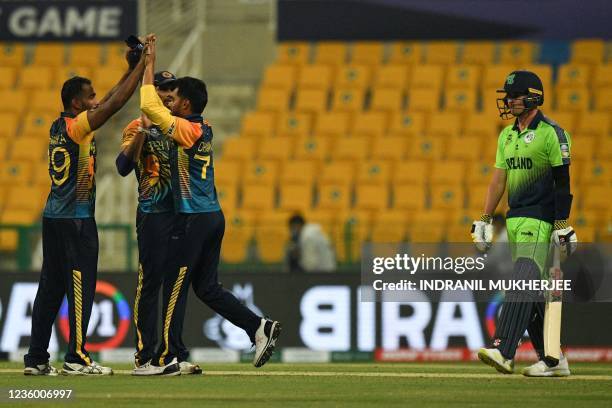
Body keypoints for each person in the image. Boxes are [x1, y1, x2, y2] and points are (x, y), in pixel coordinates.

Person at [139, 36, 281, 374]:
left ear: (186, 105)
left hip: (193, 219)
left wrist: (149, 64)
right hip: (213, 216)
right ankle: (257, 327)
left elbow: (148, 106)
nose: (168, 103)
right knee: (206, 287)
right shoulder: (203, 127)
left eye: (174, 99)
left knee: (174, 284)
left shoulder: (186, 129)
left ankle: (167, 356)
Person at [24, 36, 152, 376]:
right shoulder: (78, 127)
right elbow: (112, 106)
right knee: (80, 284)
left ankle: (36, 358)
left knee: (50, 287)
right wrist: (142, 67)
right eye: (90, 96)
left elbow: (108, 99)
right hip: (75, 220)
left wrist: (131, 69)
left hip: (53, 217)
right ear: (78, 101)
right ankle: (76, 357)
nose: (96, 100)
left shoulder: (59, 124)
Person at [471, 70, 577, 377]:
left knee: (523, 280)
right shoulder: (507, 135)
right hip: (515, 219)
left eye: (514, 96)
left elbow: (562, 182)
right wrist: (484, 218)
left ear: (533, 96)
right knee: (530, 288)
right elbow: (497, 181)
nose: (509, 101)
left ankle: (504, 350)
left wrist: (561, 223)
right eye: (508, 96)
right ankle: (554, 357)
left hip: (541, 218)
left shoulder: (552, 133)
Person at [116, 70, 201, 376]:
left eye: (172, 89)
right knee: (150, 282)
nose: (167, 93)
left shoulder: (179, 126)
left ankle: (172, 353)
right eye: (162, 88)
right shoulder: (134, 126)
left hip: (180, 213)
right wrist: (143, 130)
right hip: (152, 213)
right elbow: (123, 167)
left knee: (175, 284)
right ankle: (144, 356)